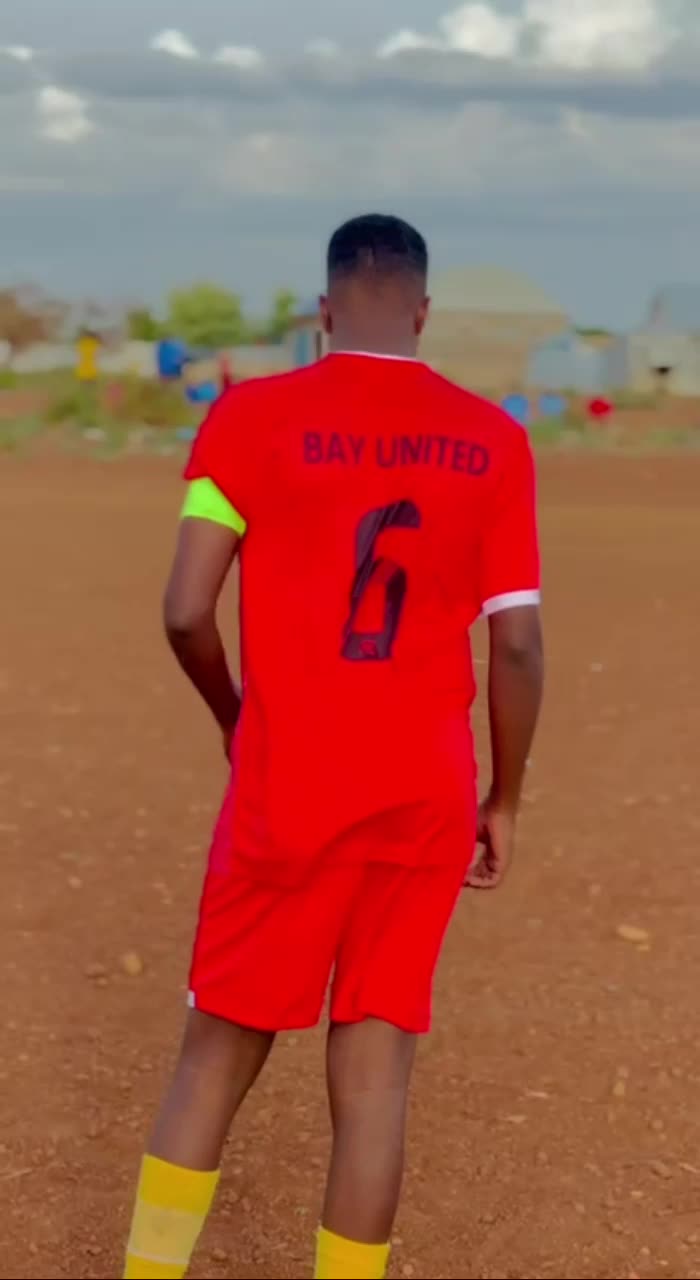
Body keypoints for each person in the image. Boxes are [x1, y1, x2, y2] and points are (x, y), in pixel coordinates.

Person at [122, 213, 544, 1280]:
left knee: (213, 1058)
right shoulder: (493, 440)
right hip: (425, 789)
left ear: (323, 308)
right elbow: (518, 642)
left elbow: (184, 611)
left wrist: (235, 717)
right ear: (422, 311)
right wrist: (504, 796)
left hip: (288, 781)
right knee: (375, 1075)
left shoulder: (248, 418)